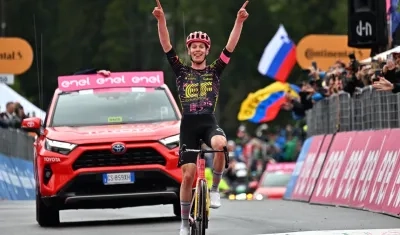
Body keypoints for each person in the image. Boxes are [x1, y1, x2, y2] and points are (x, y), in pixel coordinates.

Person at [152, 0, 249, 234]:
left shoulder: (214, 70)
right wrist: (161, 20)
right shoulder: (180, 71)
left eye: (201, 47)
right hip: (188, 126)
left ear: (207, 50)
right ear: (189, 50)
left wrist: (238, 21)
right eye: (193, 46)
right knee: (187, 176)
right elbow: (166, 45)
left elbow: (230, 47)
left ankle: (215, 188)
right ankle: (185, 224)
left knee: (220, 145)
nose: (197, 50)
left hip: (208, 122)